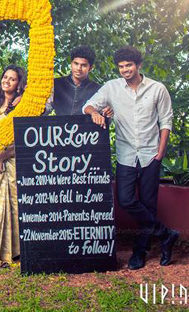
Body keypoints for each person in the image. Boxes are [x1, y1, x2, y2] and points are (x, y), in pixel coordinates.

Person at [84, 46, 178, 270]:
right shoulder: (112, 88)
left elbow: (166, 121)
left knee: (148, 204)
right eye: (121, 66)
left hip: (150, 154)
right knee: (125, 199)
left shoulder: (157, 89)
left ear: (138, 66)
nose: (125, 70)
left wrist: (160, 152)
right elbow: (87, 106)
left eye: (129, 65)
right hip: (126, 154)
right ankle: (166, 234)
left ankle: (140, 251)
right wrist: (95, 113)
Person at [0, 65, 26, 267]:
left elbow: (23, 136)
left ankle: (16, 251)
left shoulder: (22, 105)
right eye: (5, 77)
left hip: (12, 158)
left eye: (12, 79)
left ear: (19, 84)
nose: (7, 81)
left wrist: (3, 157)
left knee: (14, 201)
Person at [45, 46, 101, 115]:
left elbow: (104, 115)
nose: (79, 68)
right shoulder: (56, 84)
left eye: (83, 65)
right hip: (60, 122)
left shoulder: (97, 89)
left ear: (90, 68)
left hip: (86, 122)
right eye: (76, 63)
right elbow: (46, 109)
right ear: (71, 64)